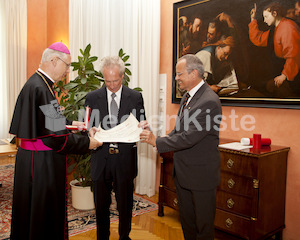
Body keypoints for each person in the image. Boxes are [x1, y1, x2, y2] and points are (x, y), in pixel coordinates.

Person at [9, 42, 102, 240]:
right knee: (43, 215)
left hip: (31, 160)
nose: (68, 71)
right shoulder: (42, 88)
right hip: (41, 165)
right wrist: (88, 143)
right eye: (67, 65)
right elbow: (55, 137)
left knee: (29, 213)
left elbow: (50, 122)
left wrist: (77, 125)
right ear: (54, 60)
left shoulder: (37, 83)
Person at [140, 54, 222, 240]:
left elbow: (189, 137)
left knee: (203, 228)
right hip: (184, 174)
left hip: (201, 177)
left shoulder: (209, 101)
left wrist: (157, 142)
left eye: (179, 74)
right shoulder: (187, 97)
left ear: (194, 73)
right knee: (187, 223)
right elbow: (178, 131)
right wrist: (159, 139)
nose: (176, 78)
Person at [85, 56, 146, 240]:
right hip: (101, 158)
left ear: (122, 76)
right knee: (101, 204)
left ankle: (124, 236)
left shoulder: (135, 97)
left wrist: (143, 127)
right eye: (107, 81)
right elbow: (87, 126)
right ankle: (102, 236)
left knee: (125, 203)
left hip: (124, 159)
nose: (111, 85)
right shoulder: (92, 97)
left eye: (115, 80)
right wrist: (90, 130)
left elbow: (141, 123)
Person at [249, 2, 300, 97]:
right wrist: (253, 19)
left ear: (275, 13)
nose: (264, 20)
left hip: (292, 76)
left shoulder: (288, 27)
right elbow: (259, 39)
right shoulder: (276, 28)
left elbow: (294, 55)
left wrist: (284, 75)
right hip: (282, 73)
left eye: (266, 16)